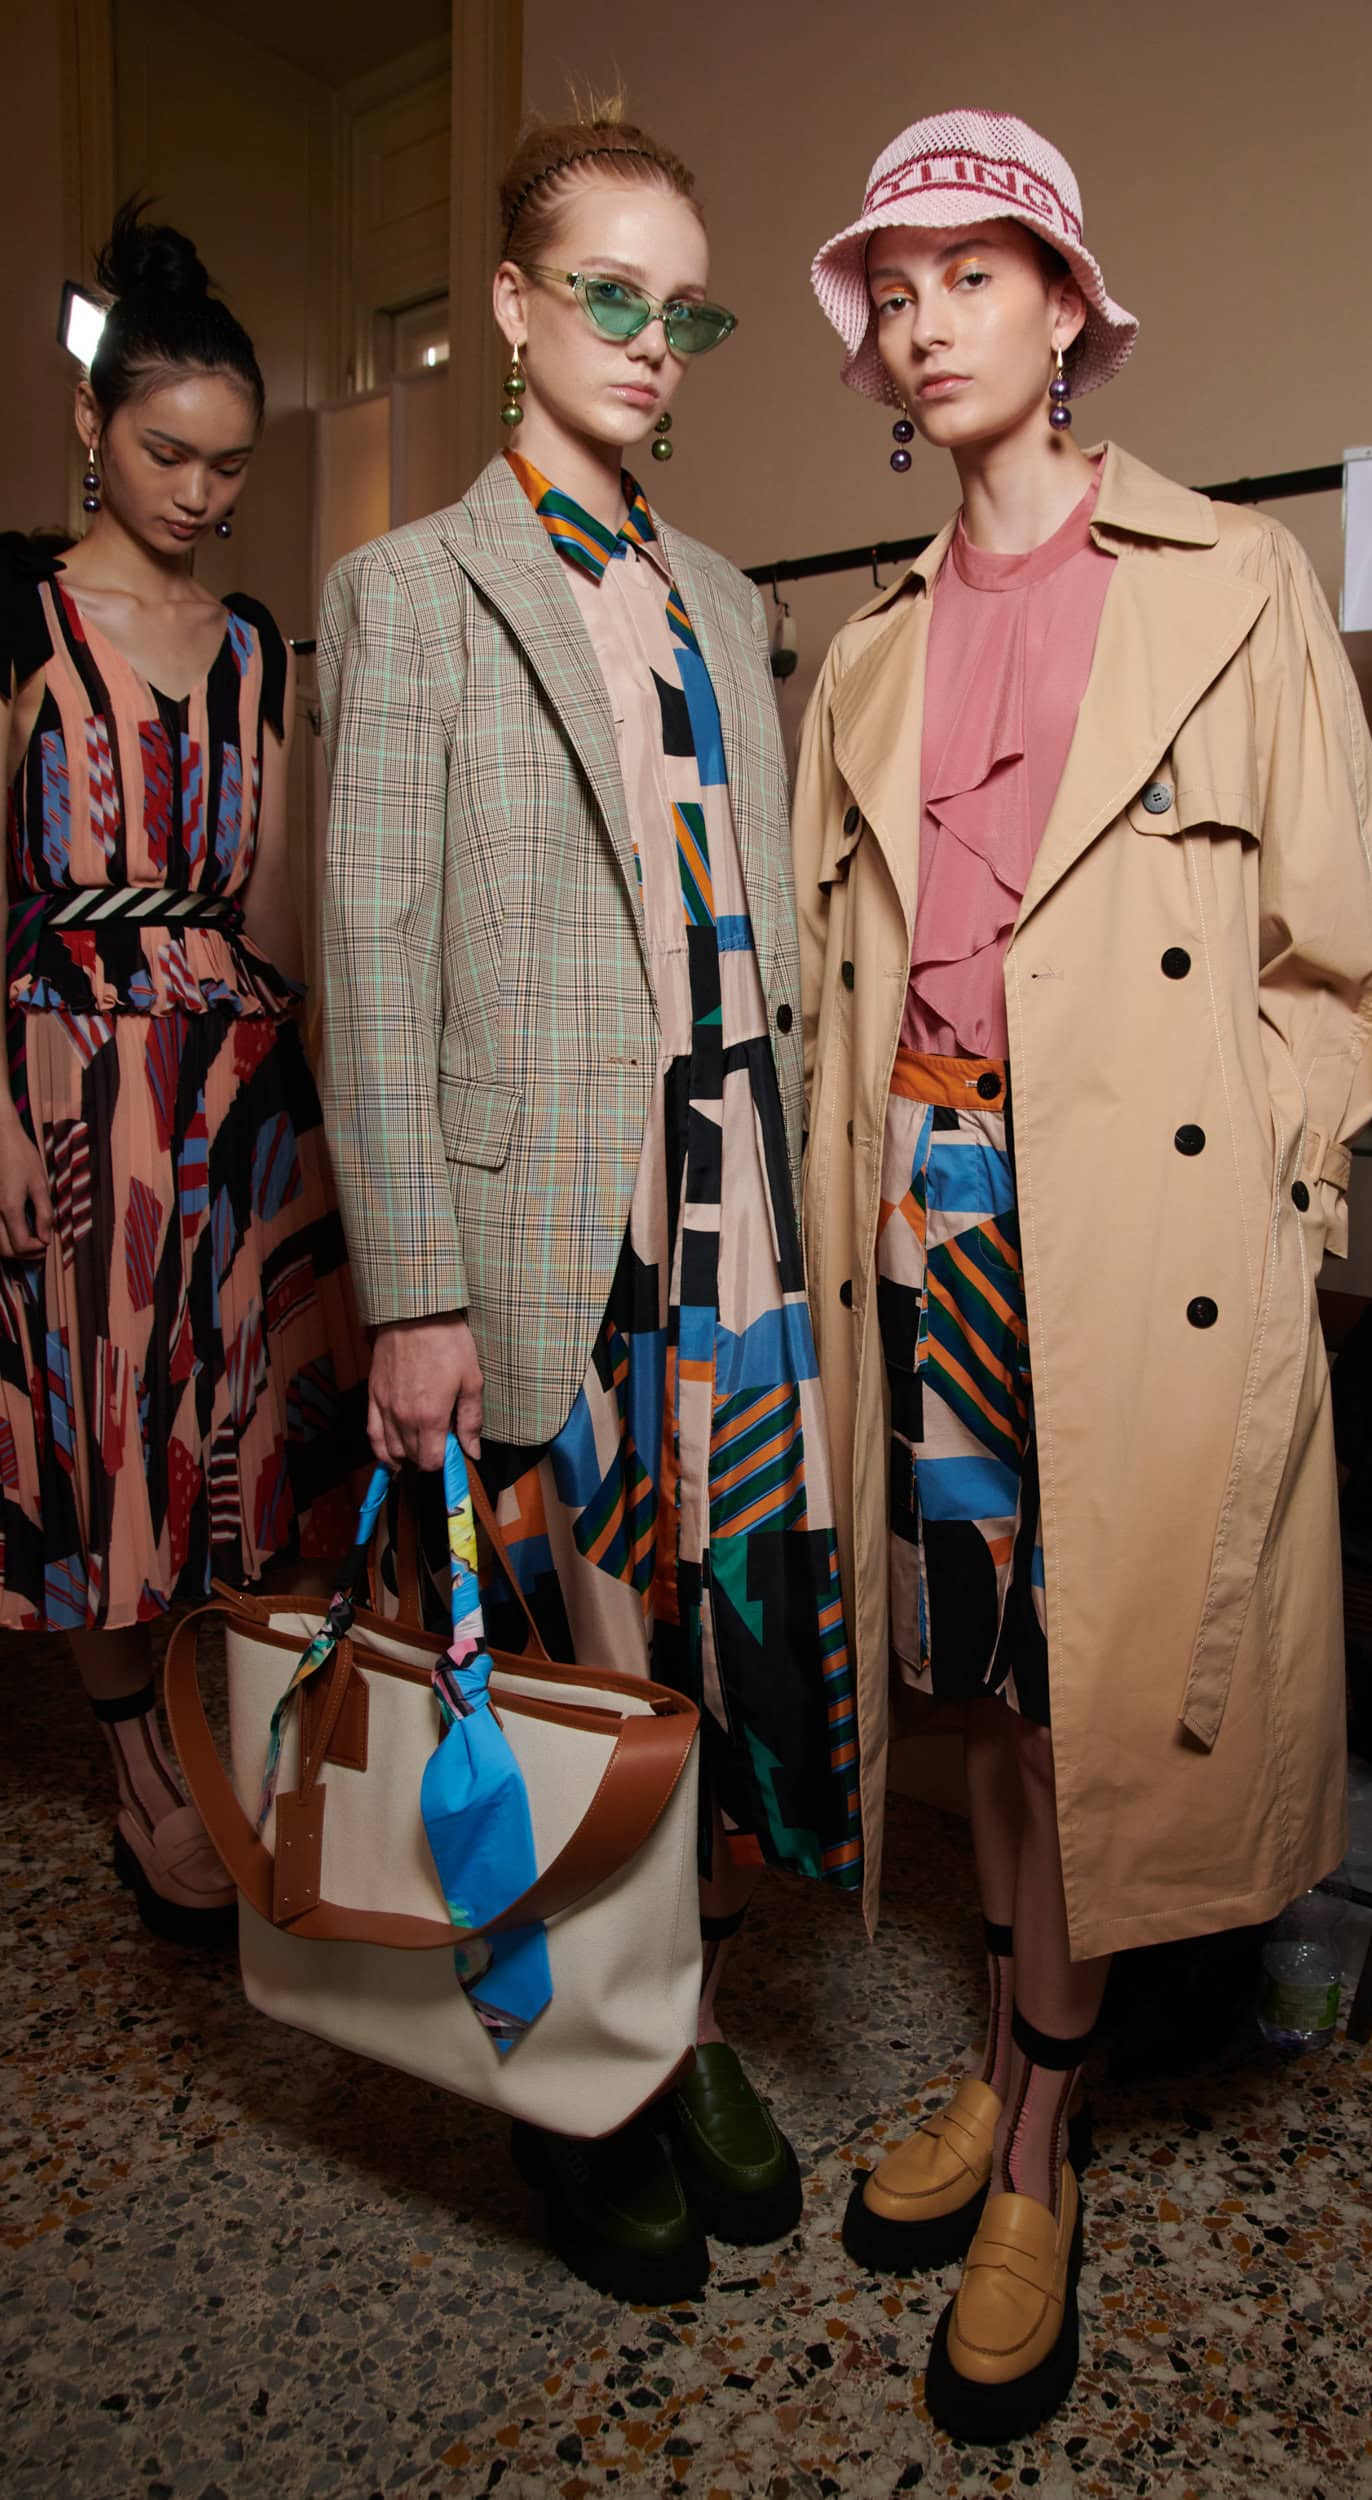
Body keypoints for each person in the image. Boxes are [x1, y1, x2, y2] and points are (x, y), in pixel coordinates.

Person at [795, 109, 1372, 2441]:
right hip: (932, 1195)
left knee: (1082, 1686)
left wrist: (1267, 1195)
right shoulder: (865, 648)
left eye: (975, 270)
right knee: (980, 1680)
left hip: (1137, 1225)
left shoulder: (1232, 580)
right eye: (896, 285)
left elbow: (1329, 964)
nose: (927, 316)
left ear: (1064, 308)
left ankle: (1041, 2139)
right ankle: (1006, 2056)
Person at [317, 104, 859, 2307]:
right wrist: (408, 1292)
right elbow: (367, 963)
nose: (648, 338)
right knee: (556, 1682)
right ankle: (577, 2085)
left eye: (683, 308)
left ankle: (687, 2024)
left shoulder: (724, 601)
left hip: (735, 1229)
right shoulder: (405, 594)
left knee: (705, 1664)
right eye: (608, 293)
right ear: (514, 306)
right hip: (538, 1238)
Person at [0, 203, 366, 1944]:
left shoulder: (255, 644)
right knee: (102, 1443)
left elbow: (275, 899)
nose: (201, 493)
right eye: (167, 453)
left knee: (248, 1437)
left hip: (238, 1087)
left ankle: (253, 1752)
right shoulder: (19, 620)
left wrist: (322, 1114)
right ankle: (141, 1771)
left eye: (229, 464)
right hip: (67, 1080)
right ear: (93, 423)